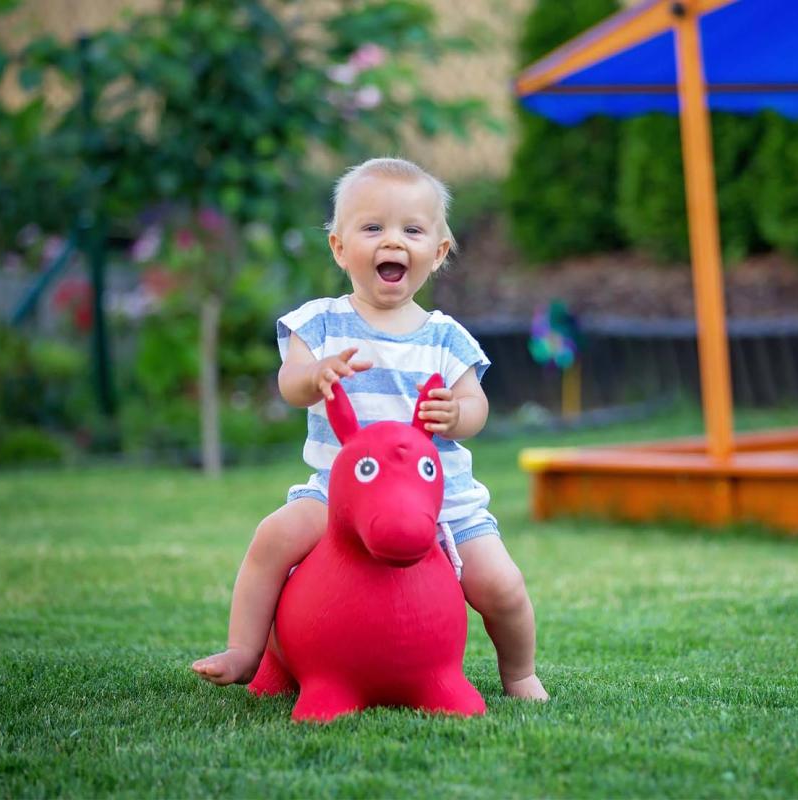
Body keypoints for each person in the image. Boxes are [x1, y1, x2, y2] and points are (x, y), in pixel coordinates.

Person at [192, 157, 548, 701]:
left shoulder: (447, 338)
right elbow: (290, 384)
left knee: (500, 584)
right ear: (339, 247)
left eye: (412, 230)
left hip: (443, 498)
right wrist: (314, 375)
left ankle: (519, 673)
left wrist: (457, 413)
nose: (393, 242)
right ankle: (245, 649)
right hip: (340, 496)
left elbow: (477, 406)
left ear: (438, 251)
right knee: (273, 537)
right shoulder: (319, 323)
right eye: (373, 227)